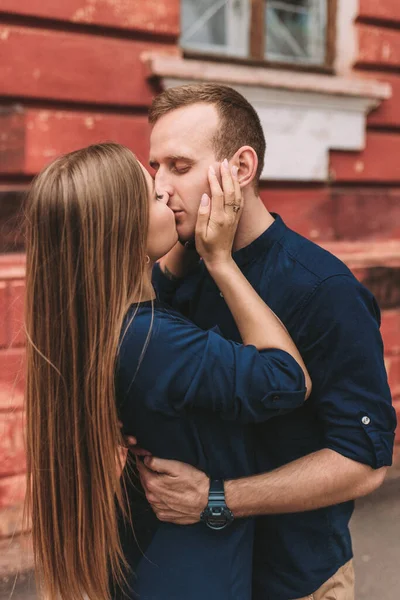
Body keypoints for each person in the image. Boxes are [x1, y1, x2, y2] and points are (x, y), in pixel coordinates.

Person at [133, 83, 397, 600]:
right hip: (196, 571)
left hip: (292, 577)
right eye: (154, 167)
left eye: (179, 167)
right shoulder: (179, 265)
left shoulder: (324, 291)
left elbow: (363, 462)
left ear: (241, 168)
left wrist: (215, 499)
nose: (160, 187)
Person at [24, 142, 313, 600]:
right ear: (122, 232)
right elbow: (287, 380)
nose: (168, 191)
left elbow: (154, 292)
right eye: (155, 197)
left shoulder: (98, 322)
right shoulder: (155, 343)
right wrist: (220, 261)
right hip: (189, 569)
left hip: (149, 550)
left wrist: (181, 249)